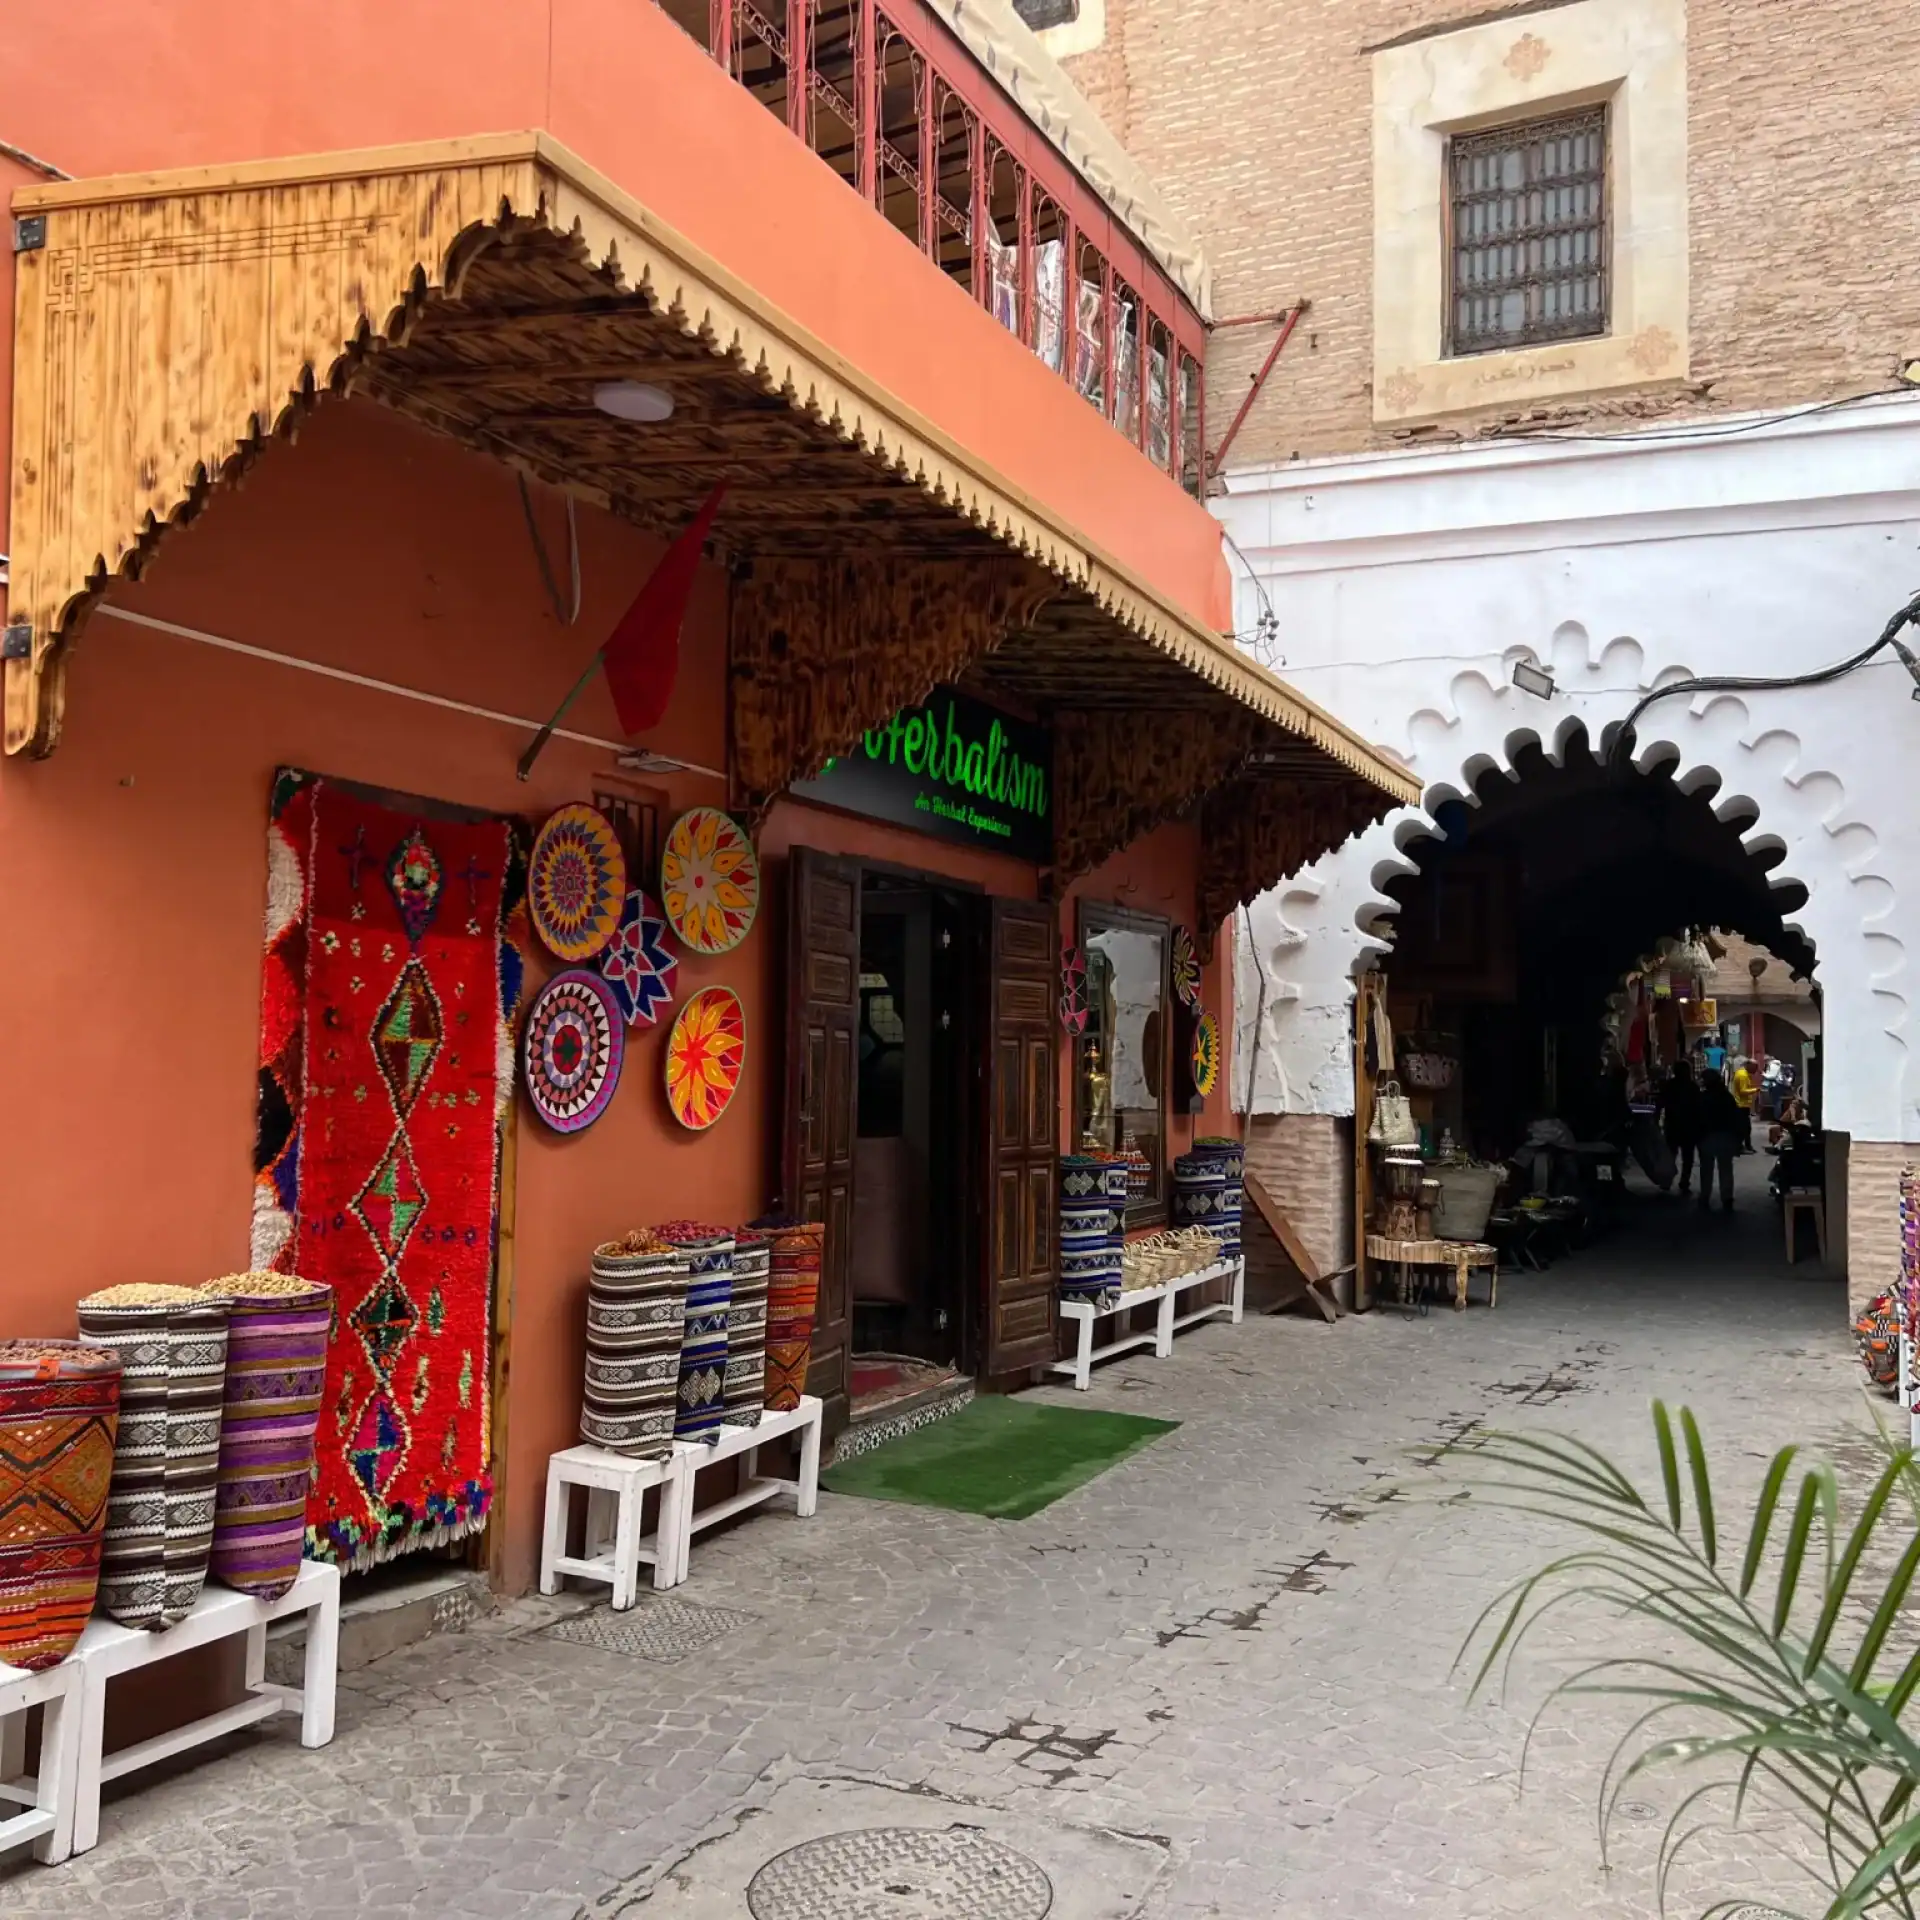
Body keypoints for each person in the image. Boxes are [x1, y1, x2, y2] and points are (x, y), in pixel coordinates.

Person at [1697, 1070, 1742, 1212]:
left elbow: (1698, 1118)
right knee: (1726, 1167)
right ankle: (1727, 1197)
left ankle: (1705, 1195)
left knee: (1706, 1168)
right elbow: (1735, 1118)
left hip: (1707, 1135)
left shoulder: (1703, 1097)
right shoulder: (1727, 1097)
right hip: (1725, 1135)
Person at [1657, 1059, 1701, 1197]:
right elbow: (1698, 1107)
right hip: (1689, 1125)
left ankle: (1667, 1180)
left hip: (1672, 1124)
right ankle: (1684, 1181)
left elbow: (1660, 1103)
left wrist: (1656, 1118)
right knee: (1687, 1158)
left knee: (1670, 1155)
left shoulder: (1669, 1085)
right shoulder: (1693, 1087)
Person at [1731, 1055, 1758, 1154]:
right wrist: (1755, 1090)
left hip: (1743, 1105)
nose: (1756, 1070)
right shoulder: (1743, 1075)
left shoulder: (1743, 1073)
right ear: (1749, 1065)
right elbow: (1743, 1091)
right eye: (1755, 1068)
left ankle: (1747, 1146)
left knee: (1746, 1128)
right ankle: (1740, 1147)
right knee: (1743, 1128)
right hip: (1740, 1105)